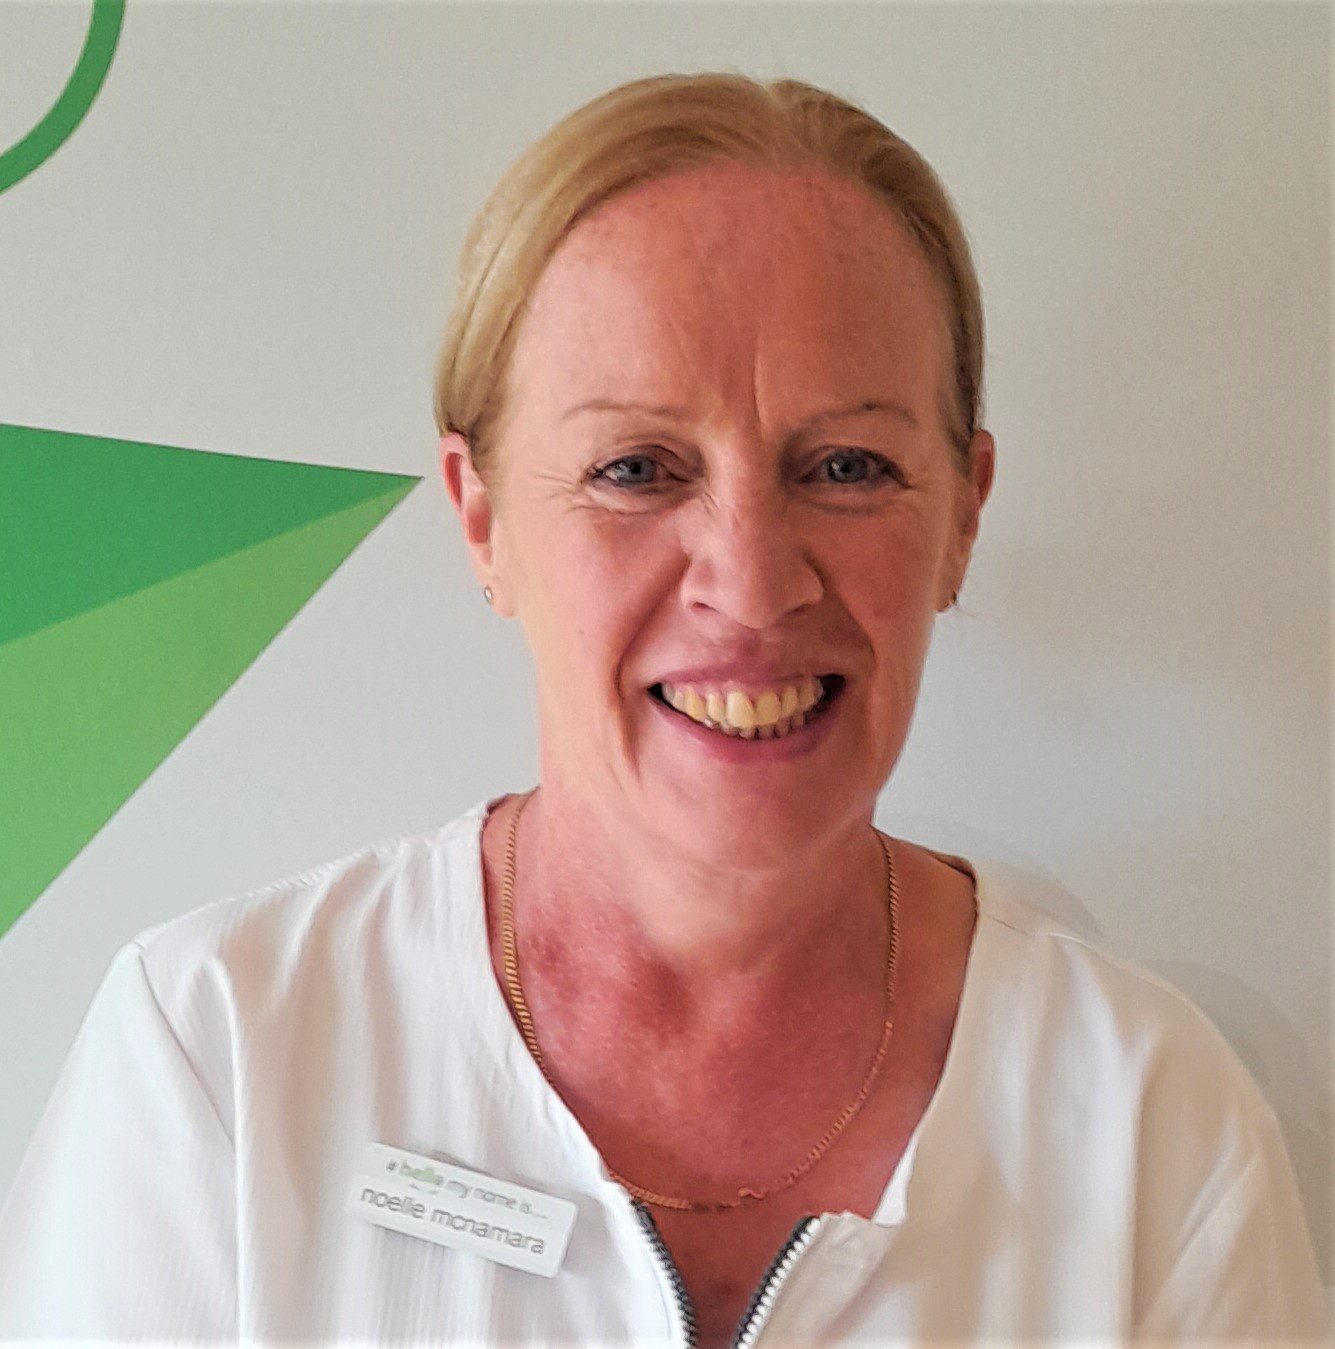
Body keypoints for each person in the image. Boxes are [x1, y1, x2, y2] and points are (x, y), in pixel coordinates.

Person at [0, 70, 1326, 1346]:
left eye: (847, 466)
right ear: (482, 517)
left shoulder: (1153, 1122)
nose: (749, 583)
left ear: (963, 514)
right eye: (637, 469)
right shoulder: (224, 1058)